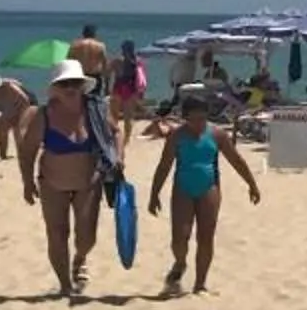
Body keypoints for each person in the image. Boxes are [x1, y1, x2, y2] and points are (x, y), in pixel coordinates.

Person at [148, 91, 260, 295]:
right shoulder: (176, 136)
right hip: (183, 187)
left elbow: (236, 160)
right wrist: (154, 194)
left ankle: (200, 284)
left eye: (203, 118)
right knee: (180, 238)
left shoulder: (217, 134)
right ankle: (180, 263)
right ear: (185, 117)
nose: (199, 123)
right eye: (194, 118)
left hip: (209, 187)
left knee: (205, 237)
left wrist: (252, 184)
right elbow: (164, 166)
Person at [20, 58, 109, 299]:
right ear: (56, 88)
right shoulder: (44, 115)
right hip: (52, 183)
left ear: (82, 86)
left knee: (86, 237)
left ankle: (80, 259)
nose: (70, 88)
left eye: (75, 83)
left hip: (88, 183)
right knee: (57, 234)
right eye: (64, 84)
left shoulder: (94, 112)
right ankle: (65, 286)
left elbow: (117, 131)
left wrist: (119, 156)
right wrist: (27, 182)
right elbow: (27, 150)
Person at [0, 71, 34, 165]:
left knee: (18, 133)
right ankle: (3, 155)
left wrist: (22, 116)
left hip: (21, 109)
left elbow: (25, 100)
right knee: (1, 130)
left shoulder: (10, 87)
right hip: (7, 111)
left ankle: (23, 155)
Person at [110, 40, 149, 146]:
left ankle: (113, 136)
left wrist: (106, 89)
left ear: (122, 49)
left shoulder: (117, 60)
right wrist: (141, 93)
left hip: (118, 88)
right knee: (128, 117)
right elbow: (141, 79)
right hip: (131, 90)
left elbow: (107, 74)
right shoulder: (138, 61)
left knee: (114, 115)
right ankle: (126, 140)